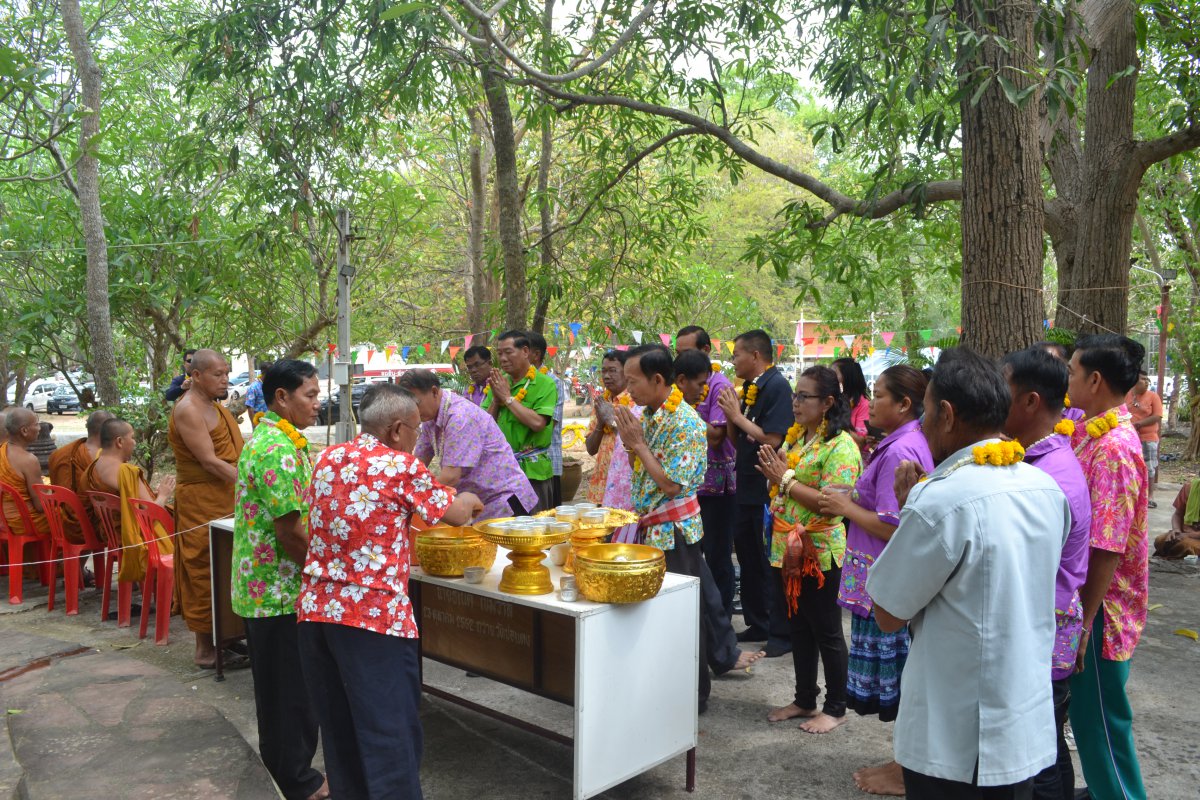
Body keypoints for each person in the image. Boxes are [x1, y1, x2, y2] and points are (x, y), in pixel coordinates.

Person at [866, 348, 1070, 798]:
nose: (920, 425)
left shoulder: (942, 499)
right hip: (1020, 718)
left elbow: (887, 612)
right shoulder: (1044, 488)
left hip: (956, 733)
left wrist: (912, 512)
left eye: (924, 412)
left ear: (947, 413)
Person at [298, 384, 483, 799]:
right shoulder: (401, 467)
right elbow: (453, 514)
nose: (419, 439)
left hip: (316, 612)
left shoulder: (327, 459)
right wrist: (469, 498)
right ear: (397, 429)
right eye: (417, 430)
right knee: (389, 731)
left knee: (340, 725)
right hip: (373, 618)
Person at [817, 365, 932, 794]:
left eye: (880, 395)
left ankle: (907, 771)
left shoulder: (903, 451)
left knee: (903, 683)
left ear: (904, 404)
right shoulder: (899, 443)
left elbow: (895, 525)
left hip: (888, 583)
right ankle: (903, 762)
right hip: (882, 580)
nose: (870, 402)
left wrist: (845, 507)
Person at [232, 360, 328, 800]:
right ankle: (298, 781)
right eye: (309, 395)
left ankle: (284, 772)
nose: (317, 402)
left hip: (271, 588)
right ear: (281, 398)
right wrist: (322, 577)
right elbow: (290, 530)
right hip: (279, 590)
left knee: (280, 689)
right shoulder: (276, 448)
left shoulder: (277, 438)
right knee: (291, 692)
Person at [1000, 347, 1092, 800]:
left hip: (1043, 631)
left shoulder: (1049, 476)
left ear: (1031, 401)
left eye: (1003, 390)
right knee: (1045, 744)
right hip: (1040, 627)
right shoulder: (1035, 460)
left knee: (1041, 754)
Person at [1066, 335, 1150, 800]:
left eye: (1074, 372)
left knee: (1100, 725)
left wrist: (1085, 619)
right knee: (1090, 717)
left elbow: (1107, 545)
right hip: (1091, 604)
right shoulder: (1093, 430)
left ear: (1095, 380)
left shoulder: (1114, 447)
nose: (1069, 380)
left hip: (1102, 609)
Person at [756, 366, 861, 733]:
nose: (795, 403)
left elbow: (830, 504)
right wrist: (781, 475)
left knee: (826, 630)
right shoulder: (798, 438)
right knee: (797, 625)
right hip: (788, 546)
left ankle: (836, 706)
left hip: (820, 551)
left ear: (828, 402)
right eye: (795, 395)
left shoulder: (842, 446)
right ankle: (804, 699)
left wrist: (783, 479)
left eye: (804, 396)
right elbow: (784, 479)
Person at [614, 344, 713, 709]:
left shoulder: (685, 422)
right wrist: (632, 444)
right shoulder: (651, 413)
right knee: (656, 614)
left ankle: (692, 695)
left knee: (683, 616)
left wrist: (638, 445)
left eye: (632, 382)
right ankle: (662, 685)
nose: (628, 391)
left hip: (675, 533)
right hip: (650, 530)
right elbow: (644, 468)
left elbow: (672, 484)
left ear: (658, 380)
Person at [717, 329, 795, 657]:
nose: (733, 360)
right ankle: (758, 622)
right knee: (747, 557)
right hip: (745, 483)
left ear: (755, 356)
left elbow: (773, 439)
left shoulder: (776, 386)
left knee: (767, 560)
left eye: (736, 354)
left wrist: (735, 416)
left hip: (766, 487)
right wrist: (732, 417)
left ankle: (780, 632)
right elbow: (739, 442)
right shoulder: (749, 388)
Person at [168, 348, 245, 668]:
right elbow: (210, 462)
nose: (224, 379)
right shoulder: (188, 409)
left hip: (226, 497)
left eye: (226, 373)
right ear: (196, 376)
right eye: (217, 374)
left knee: (229, 564)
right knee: (204, 566)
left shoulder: (217, 406)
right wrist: (250, 482)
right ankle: (204, 649)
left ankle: (226, 636)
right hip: (202, 499)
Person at [399, 369, 538, 520]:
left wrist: (412, 497)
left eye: (416, 403)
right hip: (479, 504)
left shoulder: (460, 416)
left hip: (504, 501)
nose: (413, 410)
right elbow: (418, 463)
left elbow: (451, 476)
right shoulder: (429, 417)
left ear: (434, 392)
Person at [677, 326, 738, 617]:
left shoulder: (718, 386)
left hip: (716, 486)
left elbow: (716, 436)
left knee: (717, 554)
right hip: (691, 486)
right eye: (678, 353)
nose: (681, 358)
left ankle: (720, 618)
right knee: (692, 553)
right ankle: (696, 614)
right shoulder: (681, 387)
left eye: (687, 352)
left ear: (705, 351)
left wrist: (684, 418)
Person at [83, 419, 176, 582]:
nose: (134, 442)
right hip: (136, 537)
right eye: (132, 438)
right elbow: (150, 514)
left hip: (112, 535)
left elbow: (125, 499)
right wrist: (163, 494)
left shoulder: (93, 466)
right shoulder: (126, 471)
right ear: (119, 441)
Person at [487, 330, 558, 510]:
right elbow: (484, 426)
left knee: (534, 531)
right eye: (500, 353)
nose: (502, 358)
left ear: (525, 351)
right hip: (502, 471)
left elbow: (537, 423)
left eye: (508, 352)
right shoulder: (499, 382)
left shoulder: (545, 383)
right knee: (505, 531)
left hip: (533, 473)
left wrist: (507, 398)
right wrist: (496, 400)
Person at [48, 409, 114, 544]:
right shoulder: (104, 458)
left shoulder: (60, 453)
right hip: (87, 525)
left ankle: (75, 564)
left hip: (59, 519)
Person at [584, 350, 632, 504]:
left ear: (627, 373)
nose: (606, 376)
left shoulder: (636, 401)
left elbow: (636, 440)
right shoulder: (601, 403)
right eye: (603, 371)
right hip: (601, 486)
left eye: (612, 371)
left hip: (626, 485)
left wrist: (611, 420)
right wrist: (600, 422)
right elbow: (591, 449)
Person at [1, 408, 52, 550]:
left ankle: (33, 568)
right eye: (36, 424)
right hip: (25, 522)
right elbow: (40, 506)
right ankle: (60, 567)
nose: (39, 428)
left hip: (5, 520)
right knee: (73, 520)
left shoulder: (2, 450)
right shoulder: (29, 460)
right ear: (24, 431)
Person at [528, 331, 567, 506]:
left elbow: (547, 423)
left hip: (547, 461)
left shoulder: (552, 382)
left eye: (521, 350)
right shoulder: (511, 383)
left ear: (535, 354)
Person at [1125, 370, 1162, 508]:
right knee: (1131, 467)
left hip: (1147, 438)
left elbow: (1157, 416)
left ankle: (1149, 497)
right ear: (1134, 380)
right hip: (1129, 438)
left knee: (1149, 467)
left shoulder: (1153, 396)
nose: (1146, 382)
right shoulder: (1126, 395)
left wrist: (1139, 424)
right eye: (1143, 379)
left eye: (1148, 380)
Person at [1036, 341, 1085, 423]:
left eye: (1054, 362)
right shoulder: (1024, 403)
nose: (1048, 369)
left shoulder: (1077, 408)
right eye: (1041, 364)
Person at [1154, 476, 1200, 558]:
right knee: (1159, 541)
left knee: (1183, 546)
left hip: (1196, 537)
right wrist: (1176, 530)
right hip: (1184, 533)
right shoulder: (1190, 487)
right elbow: (1178, 514)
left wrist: (1189, 536)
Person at [832, 357, 871, 450]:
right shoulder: (833, 400)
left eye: (834, 373)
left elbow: (861, 443)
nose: (830, 376)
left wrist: (835, 423)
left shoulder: (864, 405)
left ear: (846, 376)